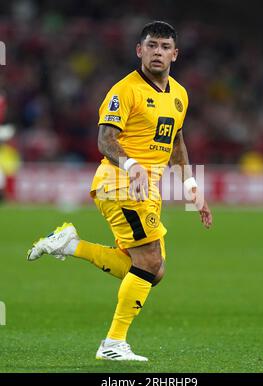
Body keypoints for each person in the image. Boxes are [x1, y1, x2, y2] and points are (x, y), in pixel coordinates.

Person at [27, 21, 213, 361]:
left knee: (153, 271)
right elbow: (105, 139)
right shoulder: (124, 91)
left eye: (165, 46)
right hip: (120, 182)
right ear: (139, 51)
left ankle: (72, 245)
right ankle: (113, 343)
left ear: (176, 53)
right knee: (150, 260)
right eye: (152, 45)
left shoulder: (179, 94)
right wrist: (132, 165)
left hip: (147, 186)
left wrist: (191, 187)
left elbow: (177, 142)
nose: (158, 52)